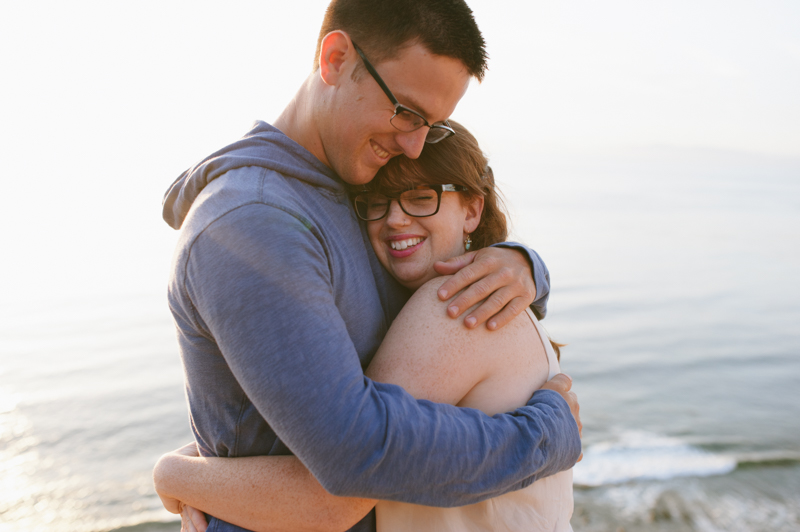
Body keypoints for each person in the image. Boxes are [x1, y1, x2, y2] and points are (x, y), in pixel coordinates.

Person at [157, 1, 581, 531]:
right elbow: (354, 457)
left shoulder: (352, 187)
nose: (413, 144)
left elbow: (294, 405)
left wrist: (521, 264)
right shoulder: (254, 223)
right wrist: (547, 434)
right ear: (335, 59)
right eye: (405, 111)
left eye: (430, 124)